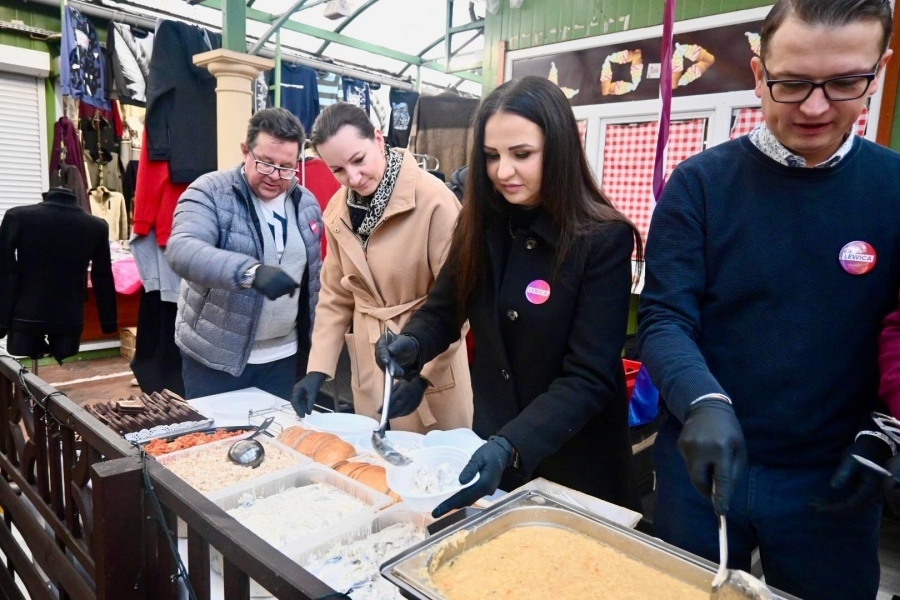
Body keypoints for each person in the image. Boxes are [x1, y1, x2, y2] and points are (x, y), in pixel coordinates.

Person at [636, 1, 897, 598]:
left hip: (833, 478)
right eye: (792, 83)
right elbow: (665, 318)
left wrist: (890, 430)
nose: (814, 107)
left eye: (844, 83)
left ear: (877, 72)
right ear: (759, 74)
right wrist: (701, 401)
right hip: (701, 465)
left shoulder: (893, 189)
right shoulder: (700, 185)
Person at [376, 75, 643, 518]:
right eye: (491, 156)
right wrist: (413, 344)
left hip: (574, 459)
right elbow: (444, 310)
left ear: (558, 150)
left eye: (521, 154)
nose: (502, 172)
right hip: (493, 446)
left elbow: (589, 377)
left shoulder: (602, 240)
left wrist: (512, 443)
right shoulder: (480, 224)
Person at [291, 102, 473, 433]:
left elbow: (458, 303)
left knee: (430, 461)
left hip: (430, 363)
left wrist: (424, 376)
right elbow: (335, 296)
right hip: (370, 367)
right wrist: (318, 368)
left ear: (378, 139)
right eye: (338, 170)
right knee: (373, 458)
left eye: (359, 160)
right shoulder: (337, 210)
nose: (353, 177)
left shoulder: (435, 201)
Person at [167, 108, 322, 400]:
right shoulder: (210, 192)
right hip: (216, 360)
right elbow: (182, 250)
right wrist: (250, 272)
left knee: (276, 430)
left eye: (286, 167)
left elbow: (315, 278)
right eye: (266, 163)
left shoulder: (307, 204)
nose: (275, 175)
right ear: (245, 151)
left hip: (283, 360)